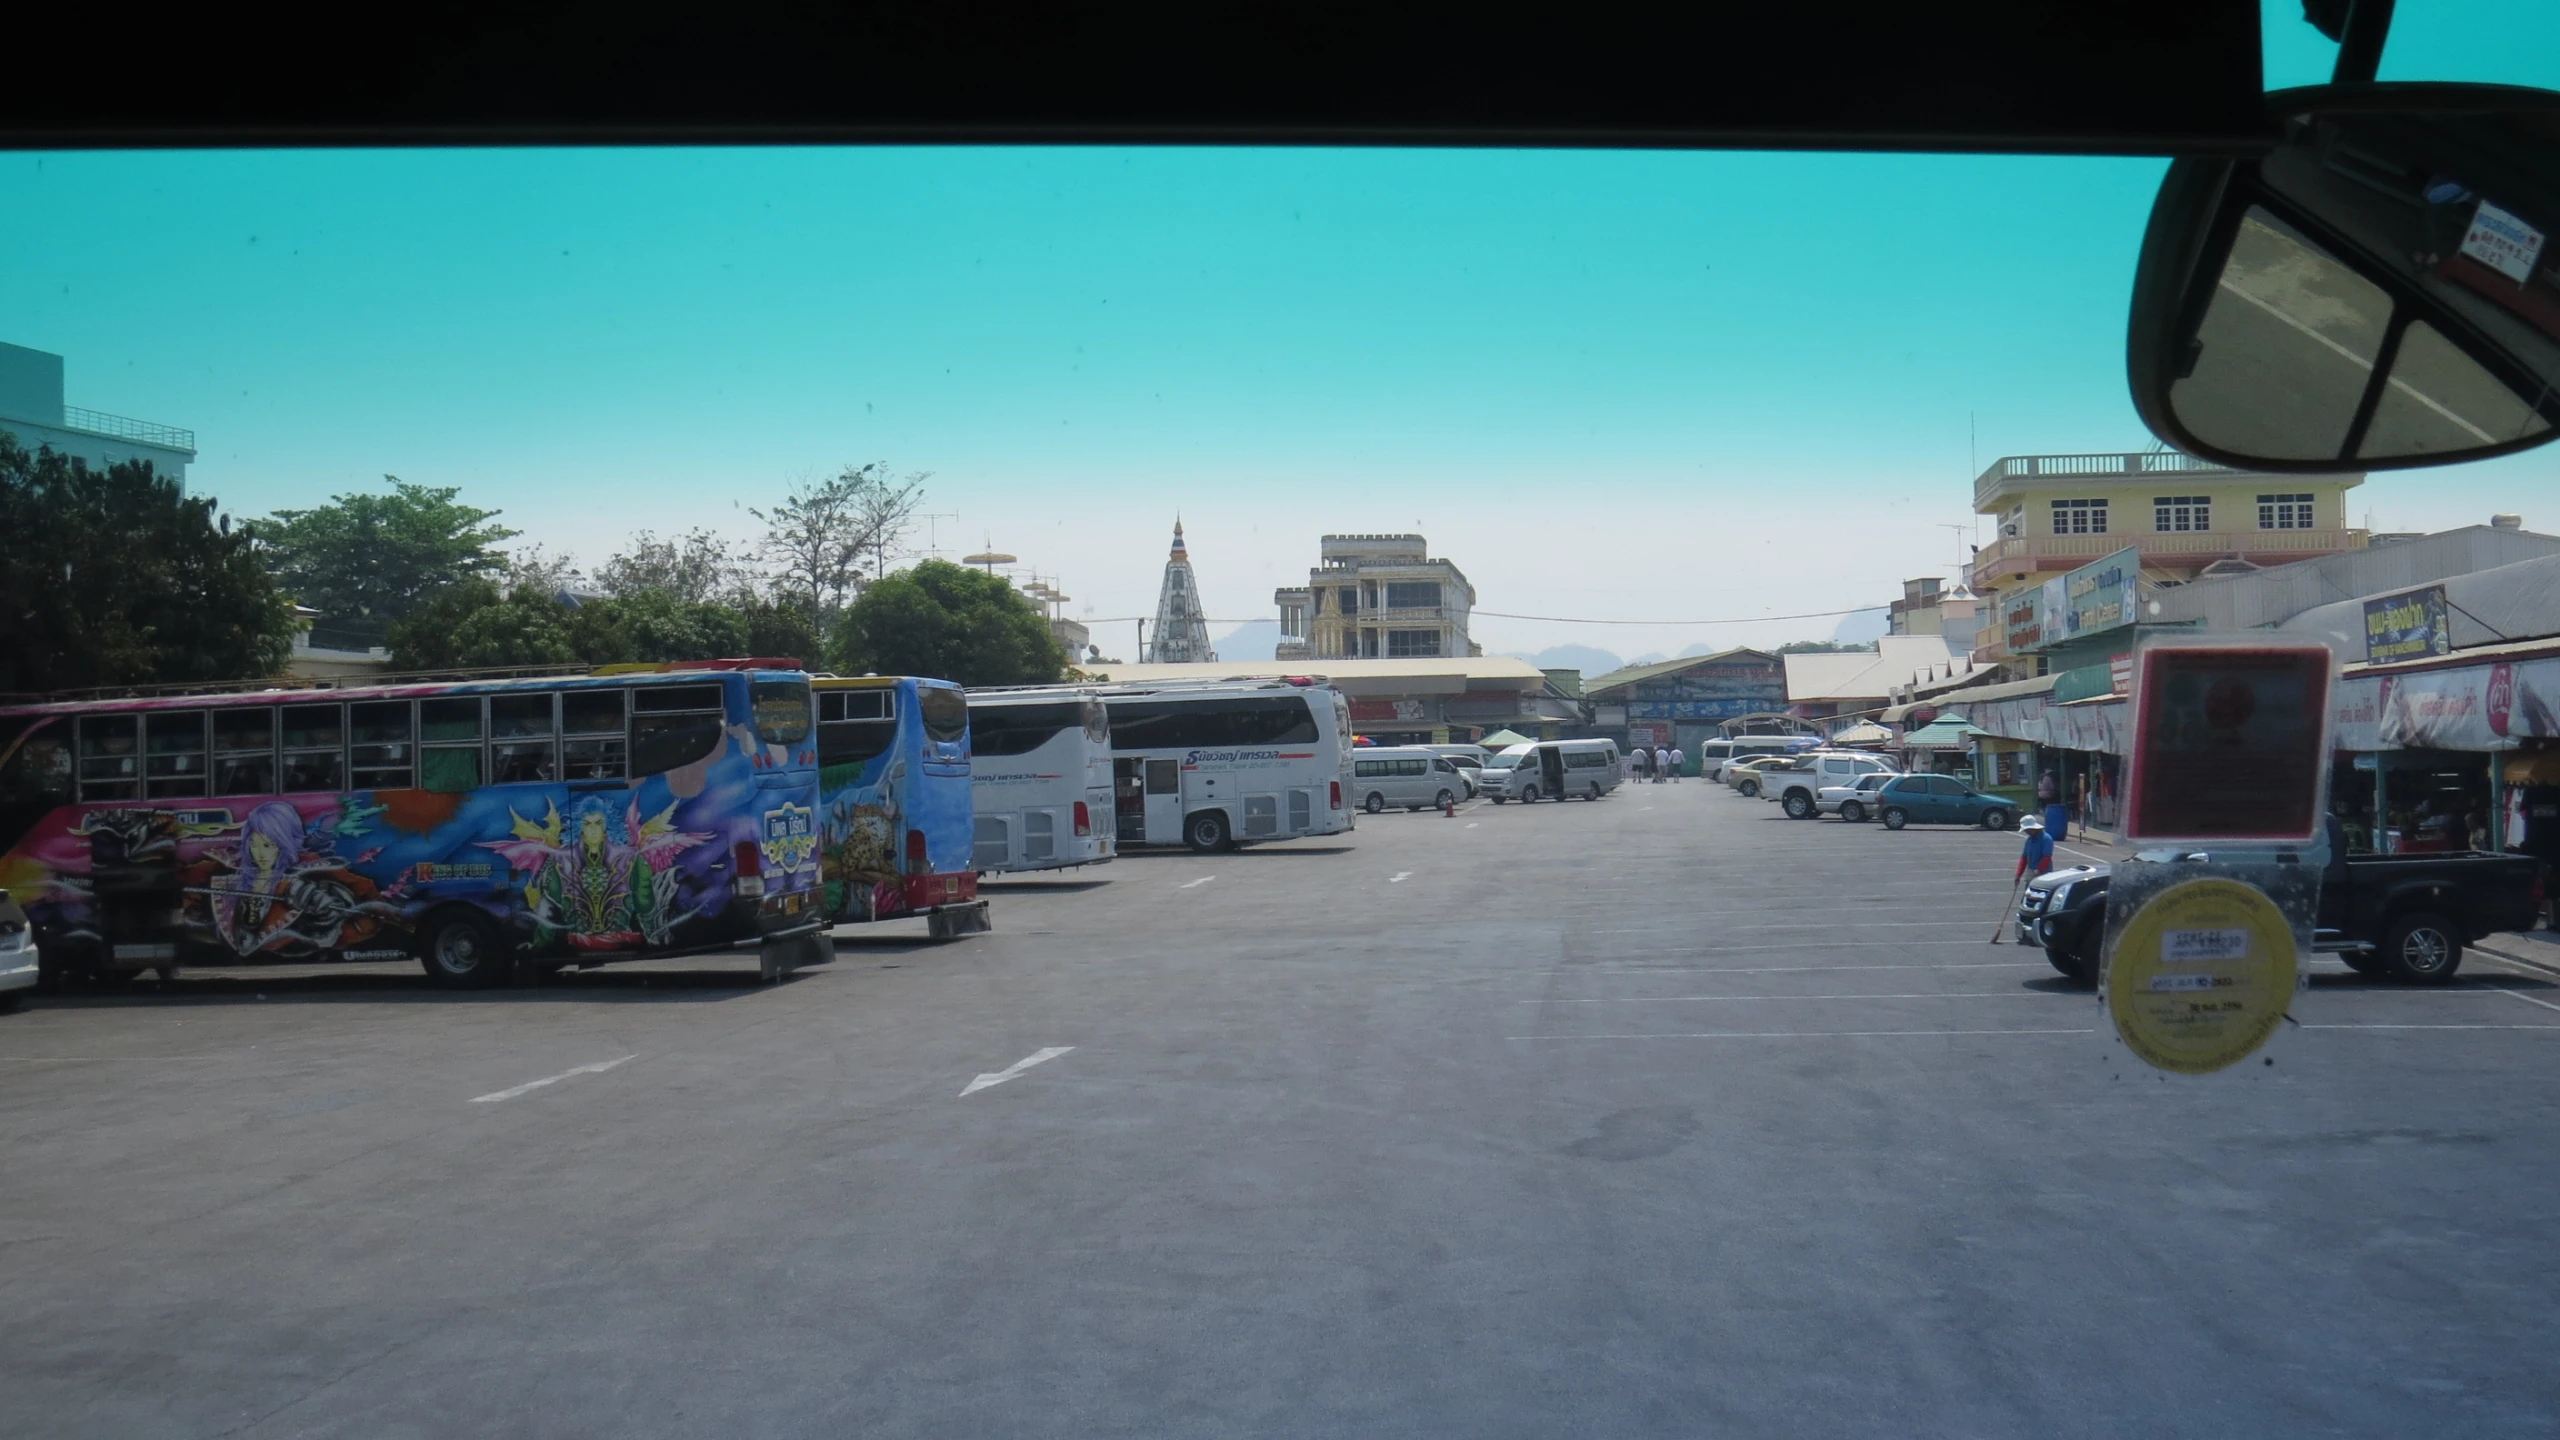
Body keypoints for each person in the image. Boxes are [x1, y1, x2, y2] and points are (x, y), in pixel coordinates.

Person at [2015, 814, 2054, 883]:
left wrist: (2038, 870)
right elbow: (2024, 858)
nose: (2026, 832)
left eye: (2027, 830)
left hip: (2044, 874)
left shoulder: (2046, 839)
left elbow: (2047, 857)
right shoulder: (2029, 840)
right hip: (2031, 871)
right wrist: (2018, 875)